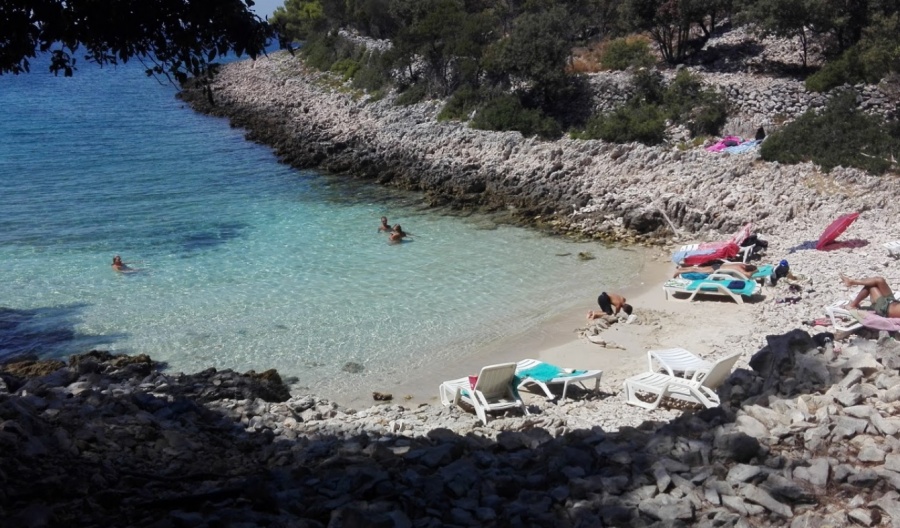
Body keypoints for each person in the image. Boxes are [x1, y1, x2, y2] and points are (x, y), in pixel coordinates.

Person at [674, 262, 759, 278]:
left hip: (718, 265)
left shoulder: (741, 264)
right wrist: (755, 271)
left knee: (697, 268)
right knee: (697, 270)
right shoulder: (741, 269)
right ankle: (679, 271)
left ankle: (681, 269)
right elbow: (748, 275)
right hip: (717, 269)